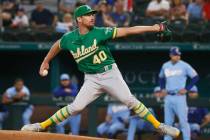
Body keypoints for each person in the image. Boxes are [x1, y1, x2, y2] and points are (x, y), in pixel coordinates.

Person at [21, 5, 179, 138]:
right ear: (79, 19)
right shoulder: (69, 38)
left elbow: (129, 30)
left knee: (130, 101)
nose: (91, 17)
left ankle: (159, 126)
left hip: (110, 74)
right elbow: (57, 44)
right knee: (75, 107)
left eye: (92, 14)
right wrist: (46, 61)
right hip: (91, 79)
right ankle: (41, 125)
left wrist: (153, 27)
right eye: (87, 15)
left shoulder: (100, 32)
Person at [159, 47, 199, 140]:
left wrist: (187, 89)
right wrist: (162, 89)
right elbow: (160, 77)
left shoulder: (184, 65)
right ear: (171, 55)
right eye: (175, 54)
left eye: (178, 54)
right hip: (168, 96)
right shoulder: (165, 65)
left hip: (179, 96)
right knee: (168, 123)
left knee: (183, 122)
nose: (177, 56)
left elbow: (195, 77)